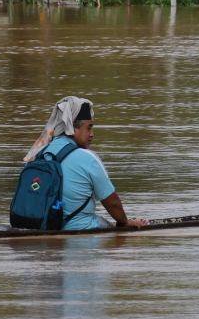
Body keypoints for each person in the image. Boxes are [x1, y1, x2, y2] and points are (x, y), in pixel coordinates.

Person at [24, 97, 146, 230]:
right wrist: (125, 223)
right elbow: (113, 203)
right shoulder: (87, 158)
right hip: (82, 230)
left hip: (39, 226)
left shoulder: (39, 153)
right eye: (89, 128)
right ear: (72, 128)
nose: (92, 134)